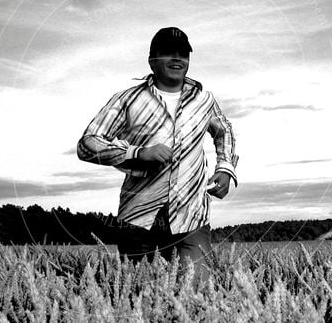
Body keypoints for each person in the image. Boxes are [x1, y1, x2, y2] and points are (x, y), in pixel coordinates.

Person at [76, 26, 238, 282]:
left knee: (199, 294)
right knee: (136, 295)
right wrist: (137, 153)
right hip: (139, 219)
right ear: (152, 60)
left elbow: (224, 131)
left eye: (183, 54)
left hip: (191, 216)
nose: (177, 58)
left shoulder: (205, 100)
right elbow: (87, 144)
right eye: (168, 53)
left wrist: (225, 168)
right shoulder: (127, 100)